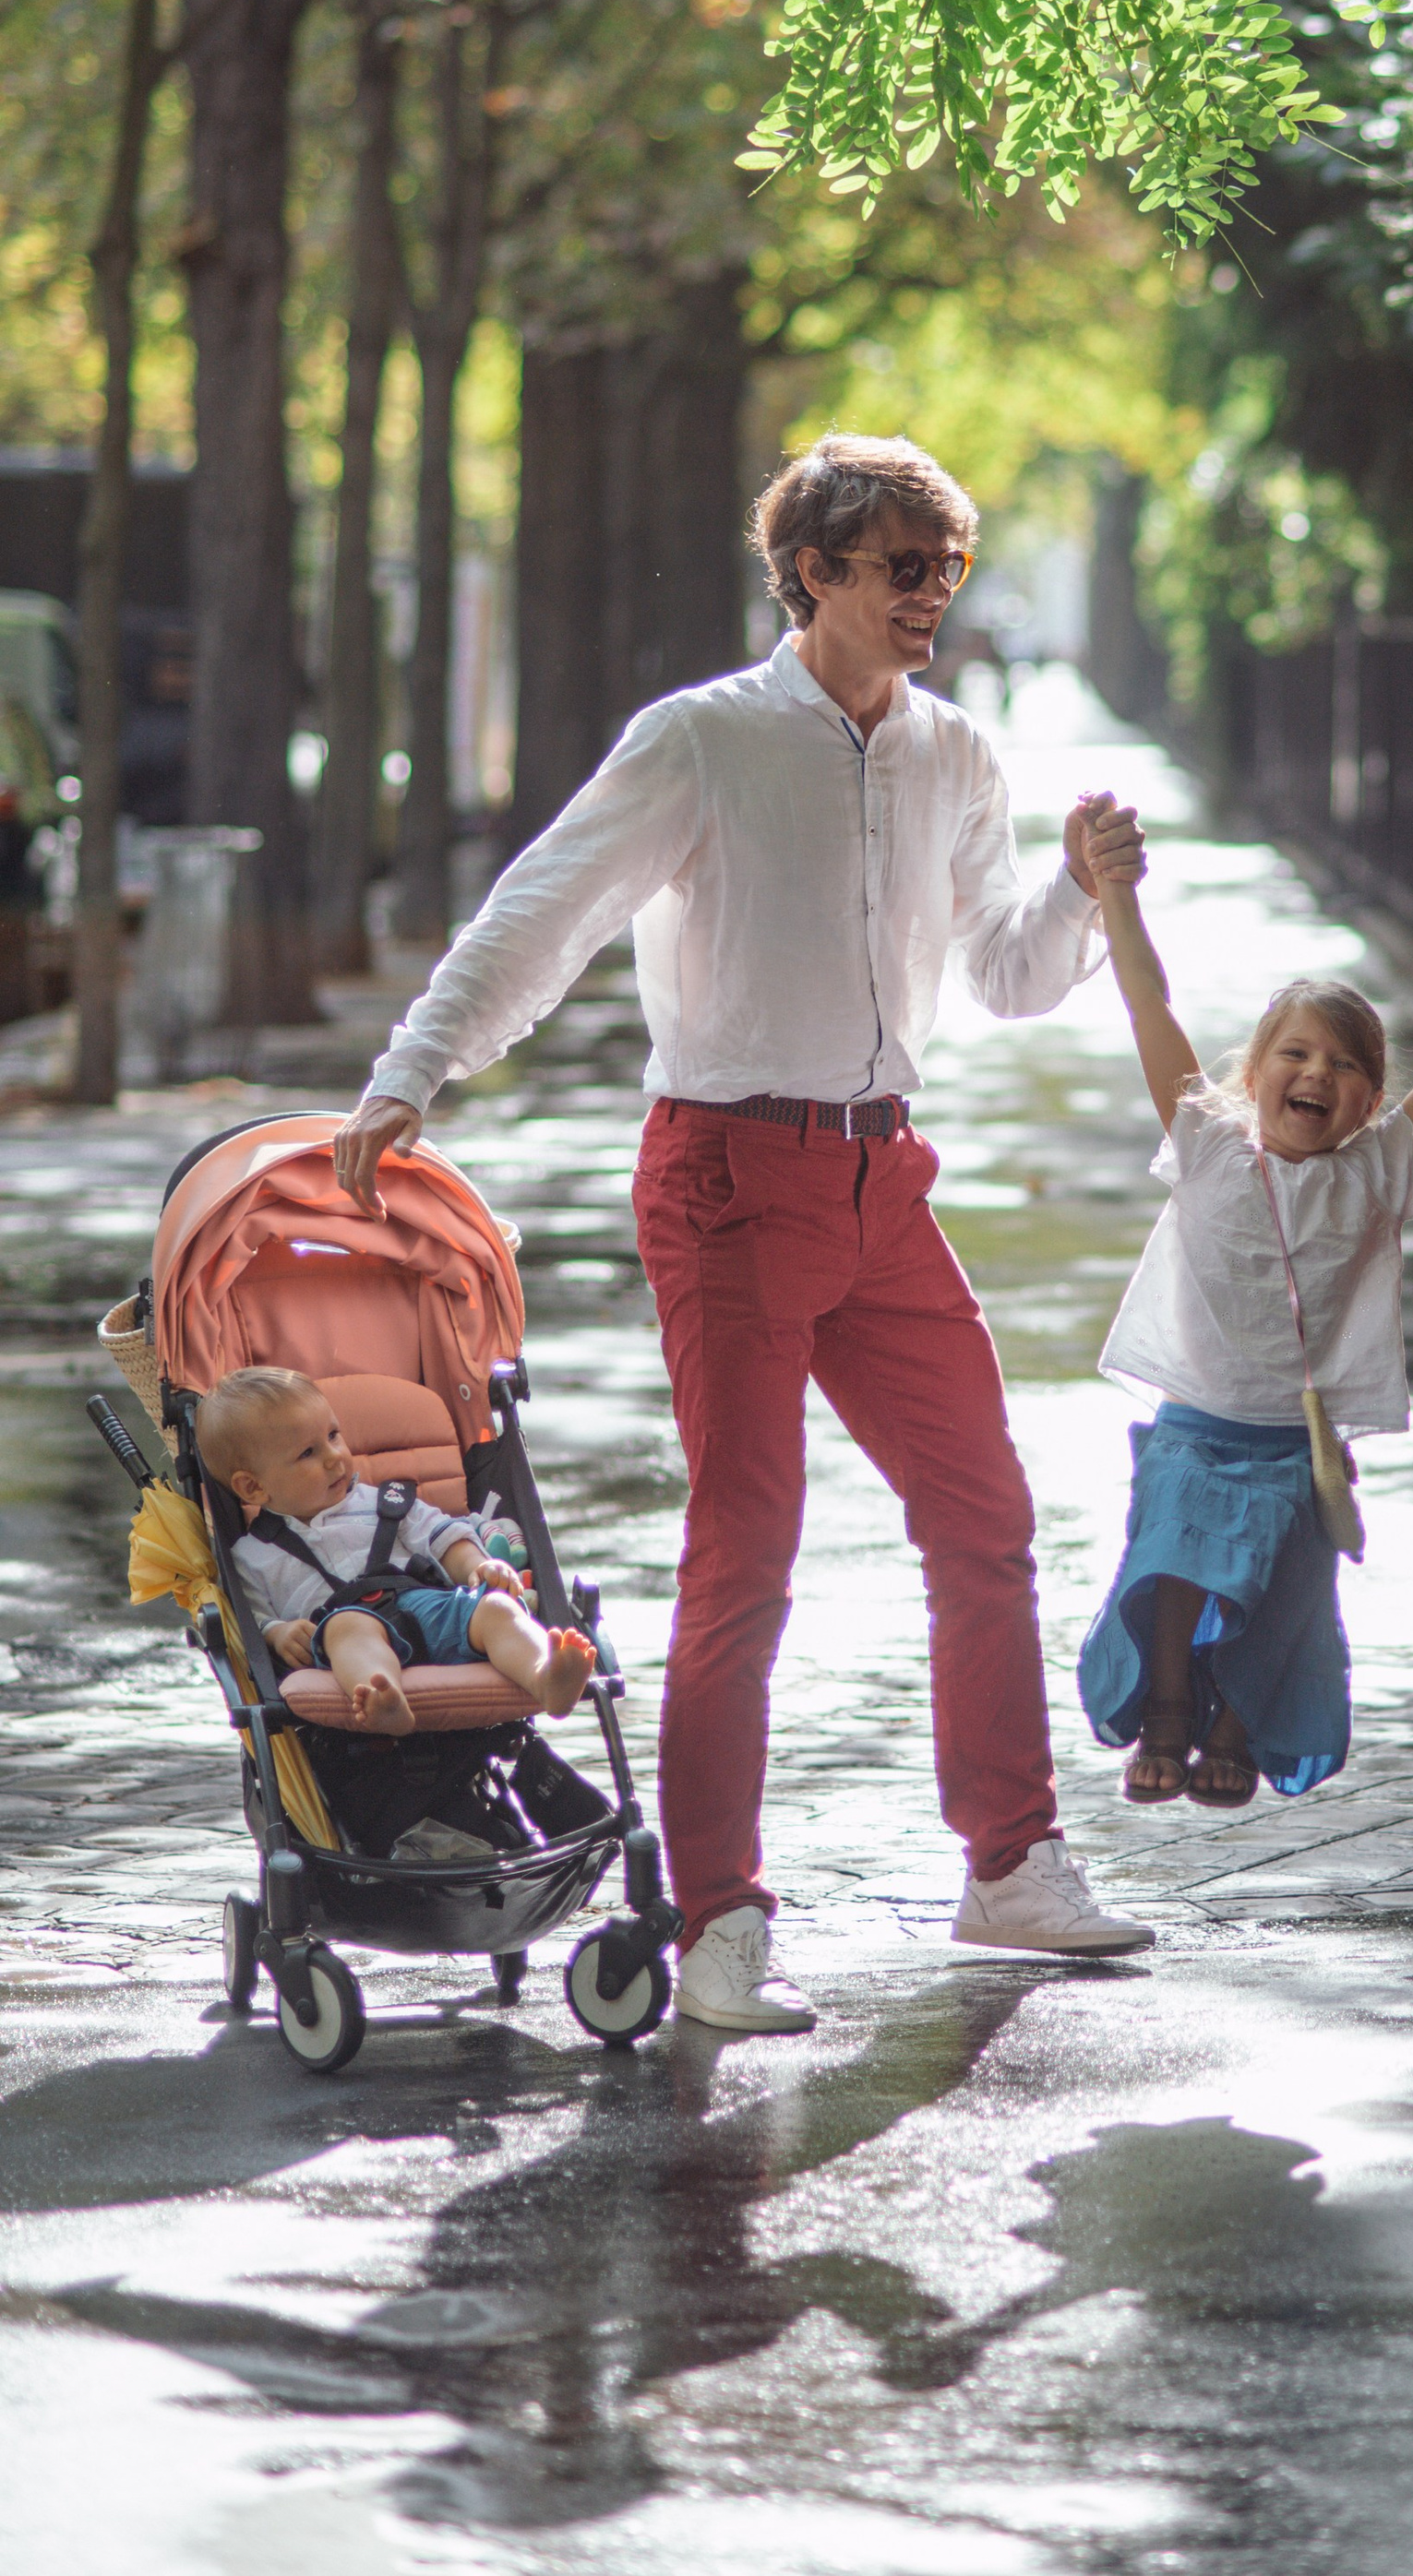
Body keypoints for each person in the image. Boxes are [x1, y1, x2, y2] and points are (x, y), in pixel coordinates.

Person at [330, 432, 1153, 2038]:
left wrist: (1074, 890)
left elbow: (1005, 973)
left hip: (881, 1180)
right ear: (813, 572)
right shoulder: (703, 739)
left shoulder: (954, 752)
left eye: (949, 566)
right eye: (904, 565)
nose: (933, 593)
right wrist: (413, 1069)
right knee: (748, 1547)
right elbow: (546, 907)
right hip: (724, 1176)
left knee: (984, 1510)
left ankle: (1010, 1861)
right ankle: (716, 1919)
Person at [1076, 808, 1413, 1804]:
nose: (1317, 1072)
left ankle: (1236, 1727)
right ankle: (1170, 1711)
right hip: (1195, 1421)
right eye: (1297, 1053)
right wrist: (1116, 896)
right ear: (1252, 1073)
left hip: (1296, 1443)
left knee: (1286, 1597)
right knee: (1170, 1560)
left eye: (1345, 1064)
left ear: (1369, 1103)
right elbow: (1147, 1003)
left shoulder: (1378, 1169)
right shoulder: (1206, 1142)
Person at [198, 1365, 598, 1735]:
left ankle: (546, 1675)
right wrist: (277, 1632)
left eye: (333, 1436)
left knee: (495, 1607)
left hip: (425, 1604)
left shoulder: (385, 1502)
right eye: (308, 1453)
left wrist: (480, 1566)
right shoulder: (251, 1555)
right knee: (348, 1629)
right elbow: (251, 1618)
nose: (335, 1457)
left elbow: (443, 1535)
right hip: (342, 1625)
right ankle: (383, 1697)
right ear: (253, 1487)